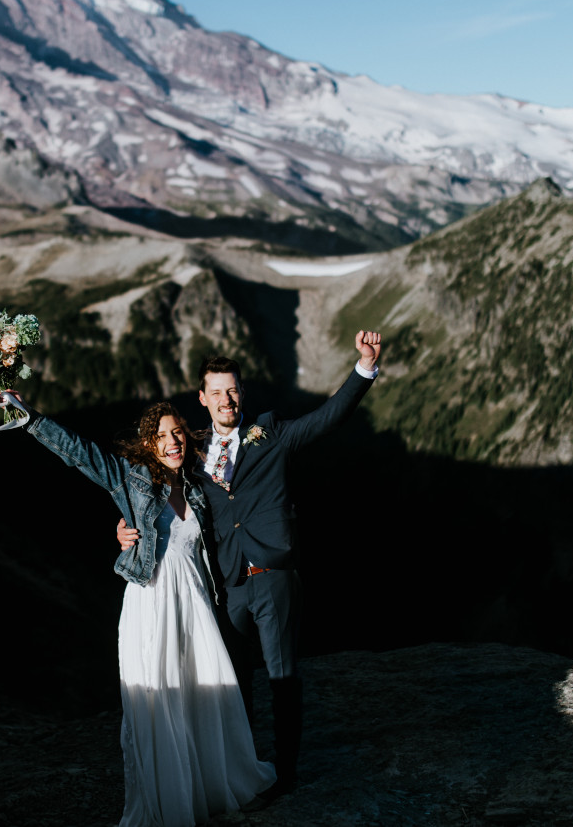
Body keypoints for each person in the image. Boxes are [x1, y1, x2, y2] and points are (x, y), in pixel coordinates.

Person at [118, 330, 382, 797]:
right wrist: (127, 529)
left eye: (233, 390)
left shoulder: (271, 434)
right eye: (216, 391)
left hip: (274, 576)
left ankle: (286, 771)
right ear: (202, 398)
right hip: (226, 585)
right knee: (232, 685)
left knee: (282, 679)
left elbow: (328, 418)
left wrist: (364, 368)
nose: (226, 399)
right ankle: (239, 768)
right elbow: (158, 491)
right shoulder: (190, 452)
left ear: (243, 393)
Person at [3, 391, 276, 826]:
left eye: (178, 434)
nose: (173, 442)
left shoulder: (198, 486)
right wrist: (28, 416)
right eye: (163, 436)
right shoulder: (130, 479)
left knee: (207, 696)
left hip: (197, 607)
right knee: (162, 702)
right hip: (152, 604)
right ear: (148, 444)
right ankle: (174, 804)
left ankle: (219, 786)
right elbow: (79, 454)